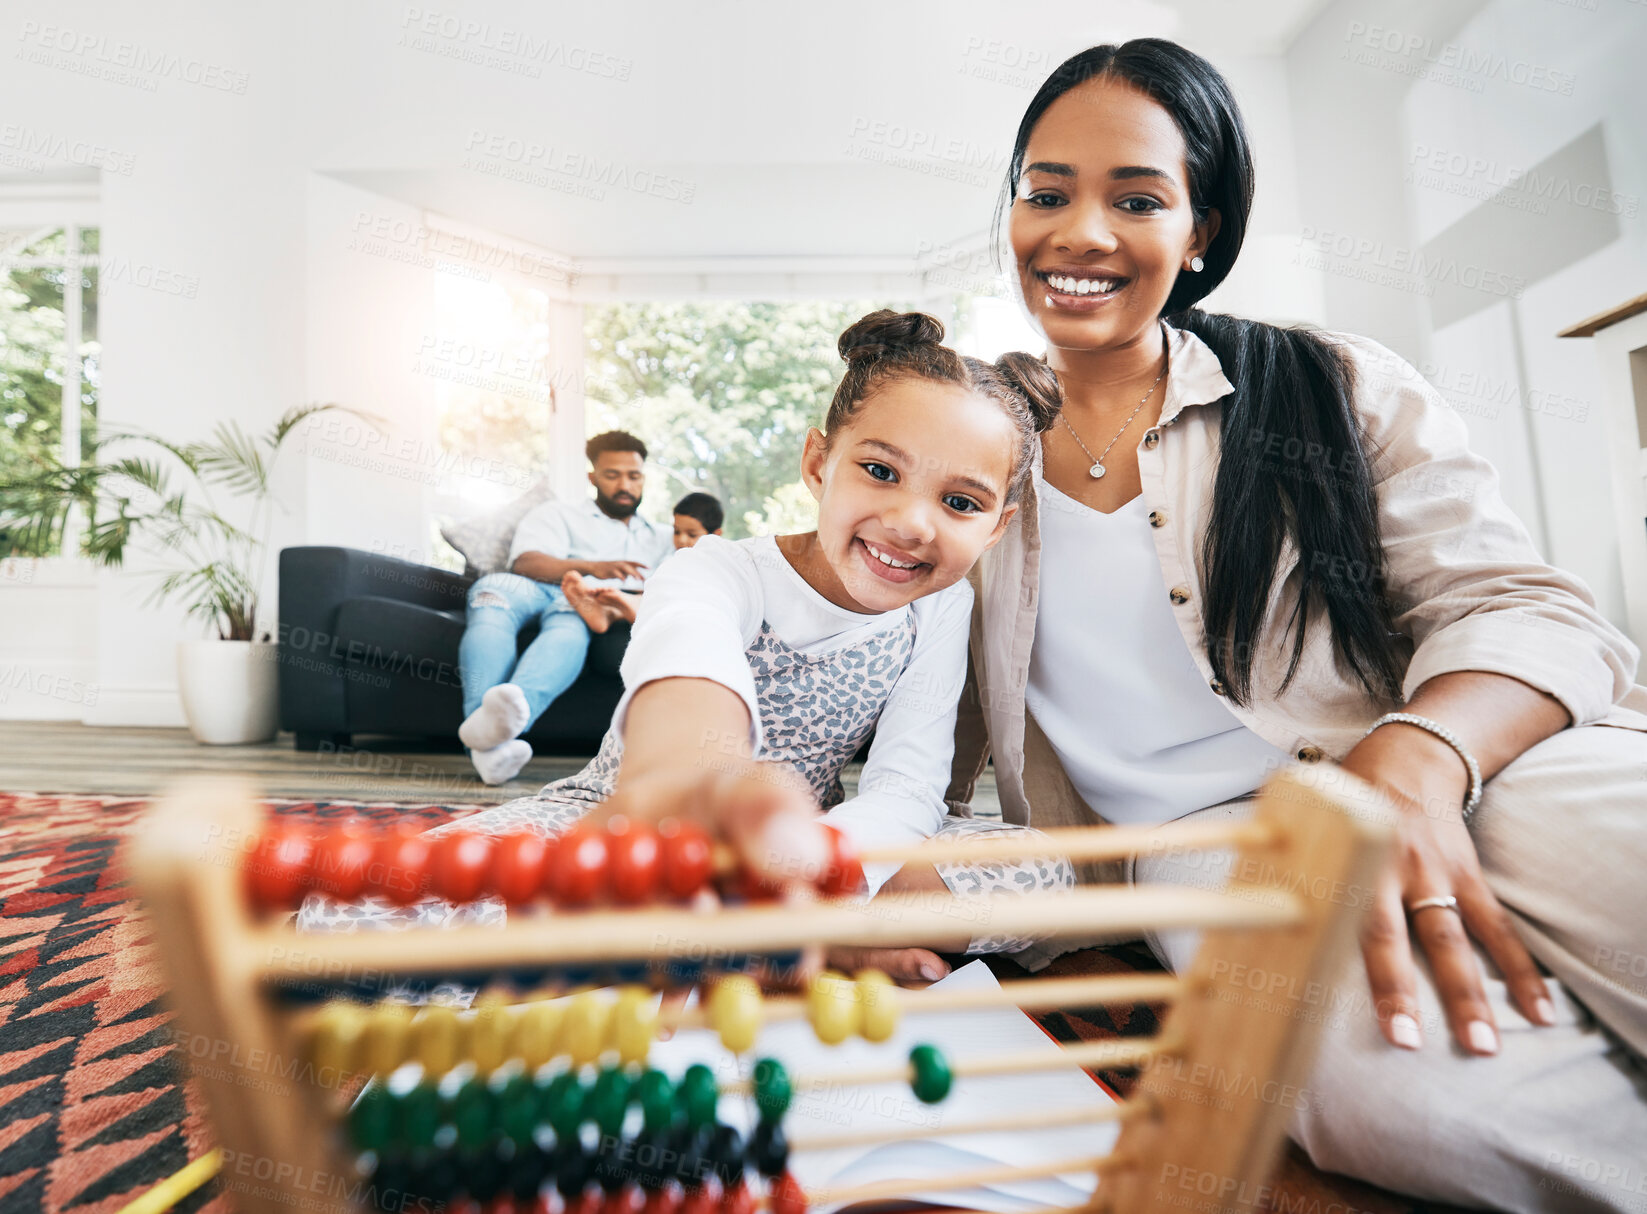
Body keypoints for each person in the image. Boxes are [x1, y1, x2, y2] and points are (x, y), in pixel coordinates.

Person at [842, 40, 1646, 1214]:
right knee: (1416, 1101)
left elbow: (1526, 608)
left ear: (1202, 229)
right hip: (1212, 845)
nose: (1081, 232)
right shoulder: (958, 439)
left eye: (1137, 198)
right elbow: (827, 624)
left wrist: (1415, 769)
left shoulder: (1328, 382)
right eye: (1046, 191)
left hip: (1461, 753)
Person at [297, 310, 1070, 967]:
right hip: (636, 828)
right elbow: (684, 726)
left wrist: (817, 870)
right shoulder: (715, 571)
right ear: (817, 463)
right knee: (354, 917)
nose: (910, 522)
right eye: (878, 470)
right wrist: (725, 805)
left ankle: (761, 933)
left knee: (1046, 876)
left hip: (817, 851)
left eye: (960, 502)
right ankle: (792, 938)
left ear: (996, 526)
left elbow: (904, 792)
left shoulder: (937, 610)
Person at [456, 430, 674, 785]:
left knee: (570, 630)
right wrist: (594, 567)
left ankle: (486, 746)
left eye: (633, 476)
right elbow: (526, 562)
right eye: (612, 474)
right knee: (491, 593)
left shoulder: (664, 536)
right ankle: (487, 739)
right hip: (533, 588)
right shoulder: (558, 513)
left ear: (643, 479)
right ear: (593, 478)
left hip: (584, 606)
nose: (624, 484)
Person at [562, 492, 726, 633]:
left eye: (691, 534)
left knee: (659, 593)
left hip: (678, 602)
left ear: (715, 535)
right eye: (677, 532)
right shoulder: (673, 556)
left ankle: (635, 608)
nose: (681, 540)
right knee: (649, 591)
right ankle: (608, 614)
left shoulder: (712, 563)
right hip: (653, 594)